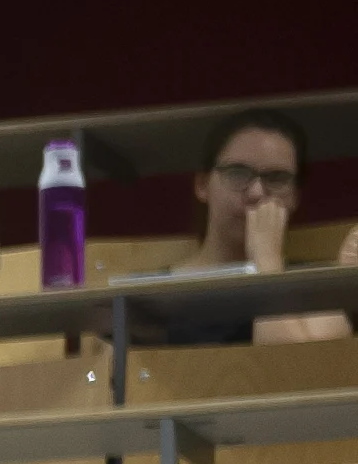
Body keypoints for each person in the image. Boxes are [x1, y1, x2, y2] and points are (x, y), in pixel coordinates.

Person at [151, 109, 353, 348]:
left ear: (295, 196)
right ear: (203, 185)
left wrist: (266, 260)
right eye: (238, 173)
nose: (257, 193)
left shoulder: (316, 286)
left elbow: (297, 371)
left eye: (277, 178)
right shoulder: (151, 297)